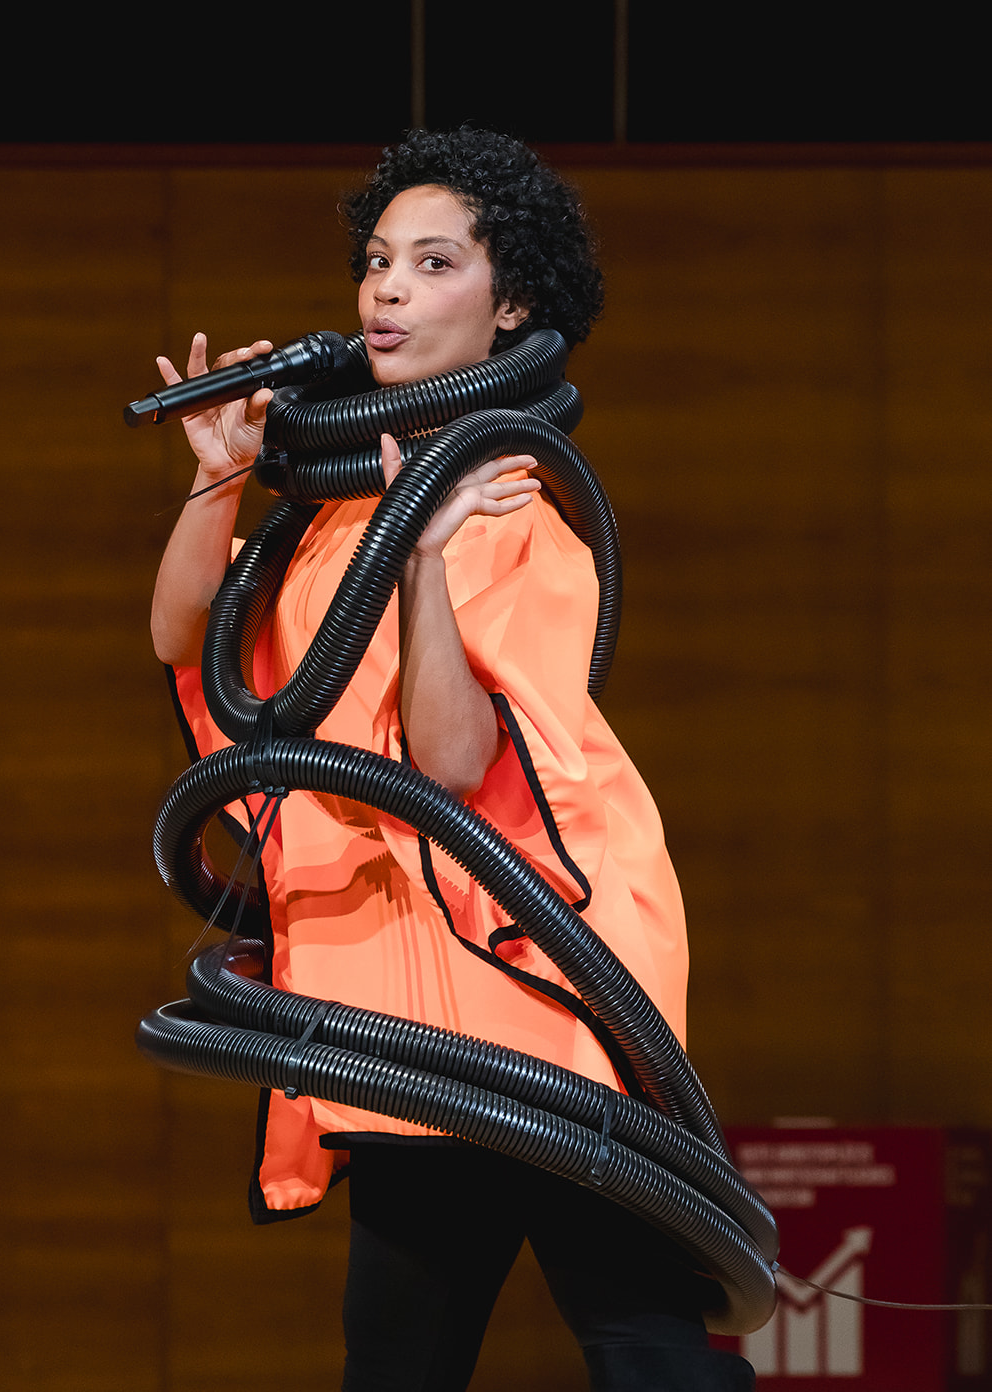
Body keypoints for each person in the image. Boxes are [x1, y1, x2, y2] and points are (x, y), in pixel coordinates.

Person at [151, 127, 755, 1391]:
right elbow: (195, 649)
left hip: (542, 974)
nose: (386, 290)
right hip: (389, 999)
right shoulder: (326, 517)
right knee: (396, 1355)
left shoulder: (508, 507)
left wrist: (422, 558)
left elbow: (447, 757)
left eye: (433, 264)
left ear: (509, 304)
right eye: (377, 260)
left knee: (636, 1341)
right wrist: (219, 484)